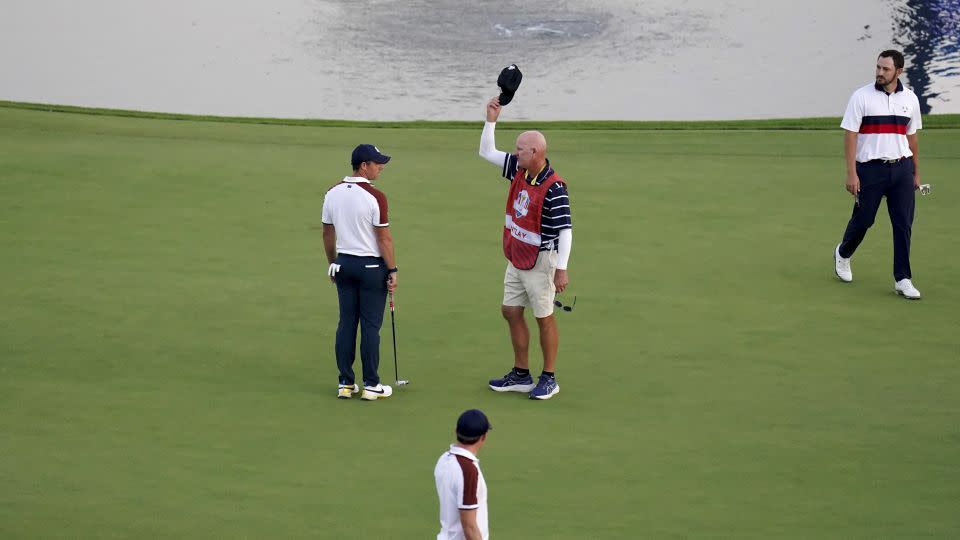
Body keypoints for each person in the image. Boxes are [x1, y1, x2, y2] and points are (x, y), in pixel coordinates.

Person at [479, 97, 572, 400]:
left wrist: (562, 268)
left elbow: (565, 230)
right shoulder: (519, 170)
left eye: (520, 149)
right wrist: (491, 119)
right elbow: (486, 151)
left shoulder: (554, 186)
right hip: (517, 257)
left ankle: (549, 378)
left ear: (535, 152)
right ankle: (521, 374)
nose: (515, 152)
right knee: (510, 310)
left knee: (544, 316)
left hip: (542, 261)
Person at [834, 49, 923, 299]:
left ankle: (903, 278)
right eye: (878, 67)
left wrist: (916, 172)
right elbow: (850, 135)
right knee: (864, 220)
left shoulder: (911, 99)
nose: (879, 72)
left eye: (885, 69)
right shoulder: (861, 96)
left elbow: (912, 138)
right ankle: (843, 254)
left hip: (902, 169)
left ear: (899, 71)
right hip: (870, 170)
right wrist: (852, 174)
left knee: (903, 224)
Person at [322, 144, 399, 400]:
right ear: (363, 166)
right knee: (369, 326)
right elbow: (384, 239)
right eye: (377, 163)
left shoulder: (332, 193)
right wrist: (393, 269)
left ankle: (345, 383)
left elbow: (327, 233)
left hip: (343, 265)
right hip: (370, 268)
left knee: (346, 324)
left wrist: (333, 263)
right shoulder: (376, 197)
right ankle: (371, 384)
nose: (381, 167)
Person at [434, 409, 492, 540]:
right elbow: (469, 527)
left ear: (456, 431)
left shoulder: (444, 459)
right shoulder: (468, 471)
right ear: (484, 437)